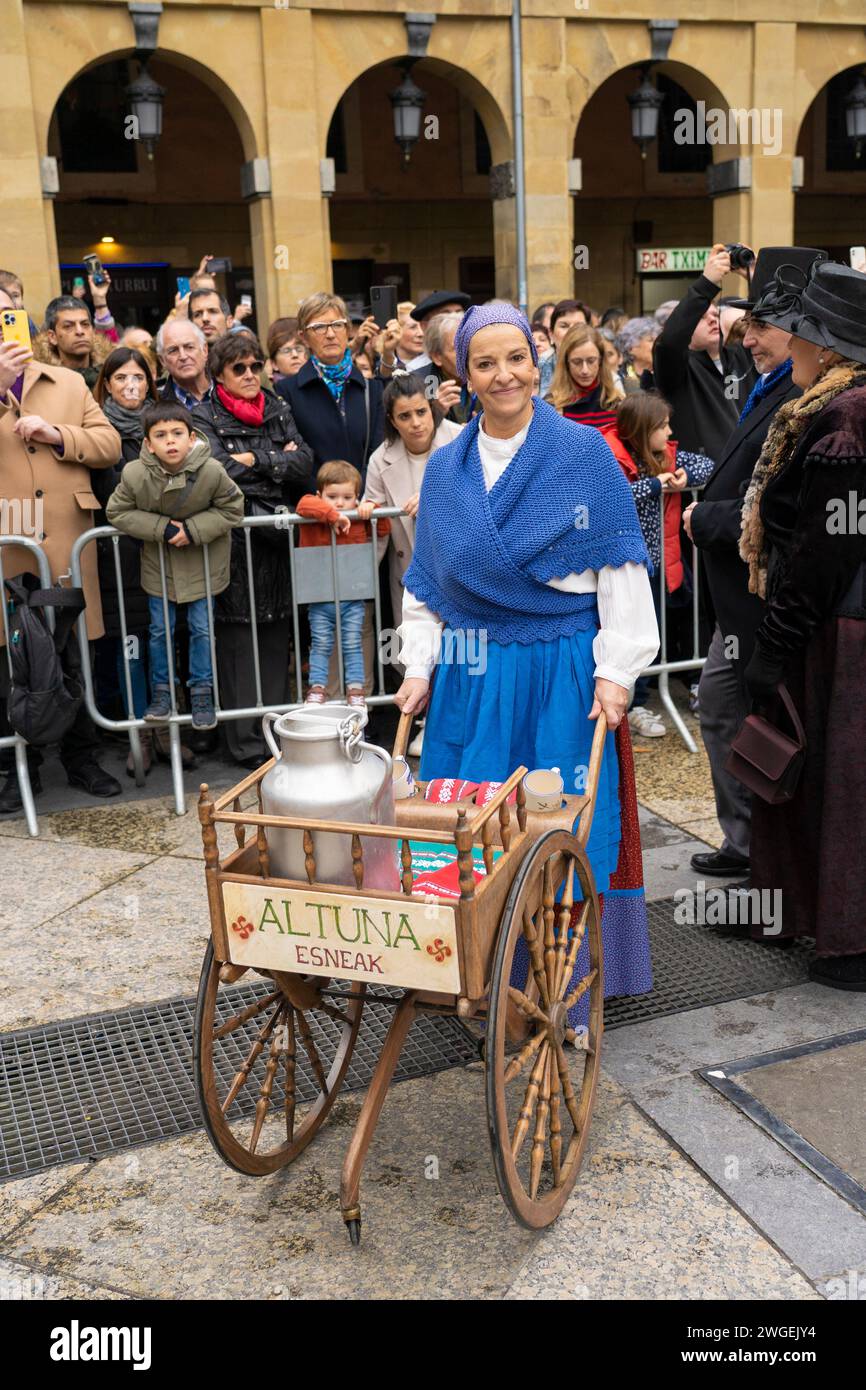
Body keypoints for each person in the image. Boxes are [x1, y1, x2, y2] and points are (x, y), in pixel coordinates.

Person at [395, 302, 659, 1013]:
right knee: (470, 825)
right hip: (472, 669)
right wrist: (417, 667)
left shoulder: (582, 455)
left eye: (516, 359)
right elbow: (426, 582)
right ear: (463, 374)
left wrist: (617, 671)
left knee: (558, 826)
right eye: (486, 362)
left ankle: (560, 989)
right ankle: (478, 974)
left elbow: (620, 571)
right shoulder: (447, 468)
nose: (504, 374)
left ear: (535, 364)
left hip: (562, 669)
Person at [738, 261, 866, 987]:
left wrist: (776, 643)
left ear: (827, 349)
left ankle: (848, 942)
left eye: (805, 337)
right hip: (839, 621)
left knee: (841, 788)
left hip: (840, 632)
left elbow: (823, 552)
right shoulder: (833, 408)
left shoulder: (844, 417)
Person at [683, 246, 826, 877]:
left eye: (762, 329)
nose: (750, 340)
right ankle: (750, 847)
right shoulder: (771, 384)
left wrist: (705, 519)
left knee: (762, 721)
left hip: (772, 601)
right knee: (722, 707)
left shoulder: (818, 401)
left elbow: (779, 507)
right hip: (740, 598)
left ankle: (767, 856)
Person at [0, 286, 123, 813]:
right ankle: (10, 766)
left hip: (70, 537)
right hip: (10, 536)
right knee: (11, 654)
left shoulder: (70, 382)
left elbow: (110, 444)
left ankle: (82, 756)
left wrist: (58, 434)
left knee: (75, 651)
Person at [192, 332, 314, 767]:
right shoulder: (204, 414)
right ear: (220, 375)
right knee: (238, 643)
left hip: (275, 544)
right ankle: (244, 743)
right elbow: (215, 471)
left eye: (255, 366)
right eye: (238, 368)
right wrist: (275, 459)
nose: (249, 374)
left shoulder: (276, 406)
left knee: (276, 637)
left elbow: (305, 463)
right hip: (233, 548)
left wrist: (254, 461)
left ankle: (275, 736)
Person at [107, 402, 244, 733]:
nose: (170, 441)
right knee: (159, 632)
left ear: (191, 437)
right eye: (161, 435)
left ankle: (201, 693)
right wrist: (163, 528)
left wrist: (193, 530)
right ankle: (163, 693)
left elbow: (233, 506)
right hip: (160, 566)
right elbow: (117, 511)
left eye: (177, 434)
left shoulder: (210, 470)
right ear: (148, 443)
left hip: (203, 565)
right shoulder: (135, 473)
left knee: (201, 630)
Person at [601, 392, 714, 738]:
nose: (668, 432)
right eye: (662, 426)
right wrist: (653, 485)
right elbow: (612, 494)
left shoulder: (665, 453)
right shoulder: (611, 454)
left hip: (666, 561)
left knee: (671, 624)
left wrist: (679, 475)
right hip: (630, 562)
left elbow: (707, 466)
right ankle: (638, 702)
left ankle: (690, 683)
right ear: (642, 428)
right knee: (638, 630)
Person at [363, 372, 462, 753]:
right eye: (405, 416)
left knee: (462, 648)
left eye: (422, 411)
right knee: (415, 646)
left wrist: (436, 497)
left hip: (457, 563)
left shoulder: (460, 438)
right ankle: (424, 722)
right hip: (410, 569)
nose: (416, 422)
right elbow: (373, 513)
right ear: (392, 420)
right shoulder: (380, 458)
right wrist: (367, 513)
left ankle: (451, 723)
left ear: (433, 407)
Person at [91, 347, 158, 773]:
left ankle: (165, 733)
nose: (131, 385)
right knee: (129, 648)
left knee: (164, 647)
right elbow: (111, 497)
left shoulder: (163, 424)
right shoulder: (97, 429)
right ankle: (139, 736)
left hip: (162, 555)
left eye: (138, 377)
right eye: (121, 378)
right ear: (107, 384)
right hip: (118, 559)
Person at [296, 461, 391, 708]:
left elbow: (383, 527)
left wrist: (372, 507)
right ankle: (318, 688)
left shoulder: (358, 518)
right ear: (320, 495)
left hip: (352, 597)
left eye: (347, 497)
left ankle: (356, 689)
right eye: (332, 496)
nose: (339, 503)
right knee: (321, 644)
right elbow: (303, 504)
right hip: (321, 597)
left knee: (352, 643)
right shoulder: (315, 513)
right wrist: (333, 515)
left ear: (356, 499)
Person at [652, 244, 756, 460]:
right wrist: (706, 283)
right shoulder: (679, 369)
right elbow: (670, 342)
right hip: (705, 482)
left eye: (714, 313)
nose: (711, 319)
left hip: (749, 474)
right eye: (701, 316)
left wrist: (754, 275)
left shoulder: (740, 355)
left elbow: (772, 327)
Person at [276, 292, 384, 485]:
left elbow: (378, 454)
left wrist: (358, 496)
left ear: (348, 329)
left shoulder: (371, 389)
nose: (331, 334)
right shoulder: (286, 392)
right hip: (313, 507)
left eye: (337, 325)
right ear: (304, 337)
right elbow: (293, 455)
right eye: (319, 327)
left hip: (363, 506)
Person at [546, 323, 623, 429]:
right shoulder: (551, 406)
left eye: (591, 361)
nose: (585, 370)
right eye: (577, 362)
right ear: (566, 363)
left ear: (600, 360)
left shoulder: (616, 402)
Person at [35, 296, 111, 389]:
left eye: (85, 324)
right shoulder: (41, 382)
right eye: (68, 326)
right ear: (52, 337)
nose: (79, 331)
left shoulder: (111, 375)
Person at [423, 311, 475, 424]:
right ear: (437, 357)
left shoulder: (483, 375)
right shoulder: (420, 385)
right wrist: (436, 412)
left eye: (468, 345)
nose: (466, 354)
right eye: (457, 348)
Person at [402, 290, 471, 371]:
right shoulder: (415, 369)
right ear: (425, 326)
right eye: (446, 315)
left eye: (459, 312)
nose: (455, 319)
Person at [538, 298, 593, 396]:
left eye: (578, 326)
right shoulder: (541, 365)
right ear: (551, 334)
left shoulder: (599, 363)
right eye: (564, 326)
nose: (571, 332)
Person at [156, 319, 212, 408]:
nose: (183, 356)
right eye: (173, 350)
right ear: (162, 360)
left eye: (189, 347)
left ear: (204, 350)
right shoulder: (155, 404)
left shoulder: (230, 390)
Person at [616, 316, 661, 391]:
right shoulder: (620, 378)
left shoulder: (665, 374)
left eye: (657, 339)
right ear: (631, 348)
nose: (657, 344)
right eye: (650, 340)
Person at [265, 318, 307, 384]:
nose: (295, 355)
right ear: (274, 364)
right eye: (286, 351)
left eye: (299, 349)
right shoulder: (269, 392)